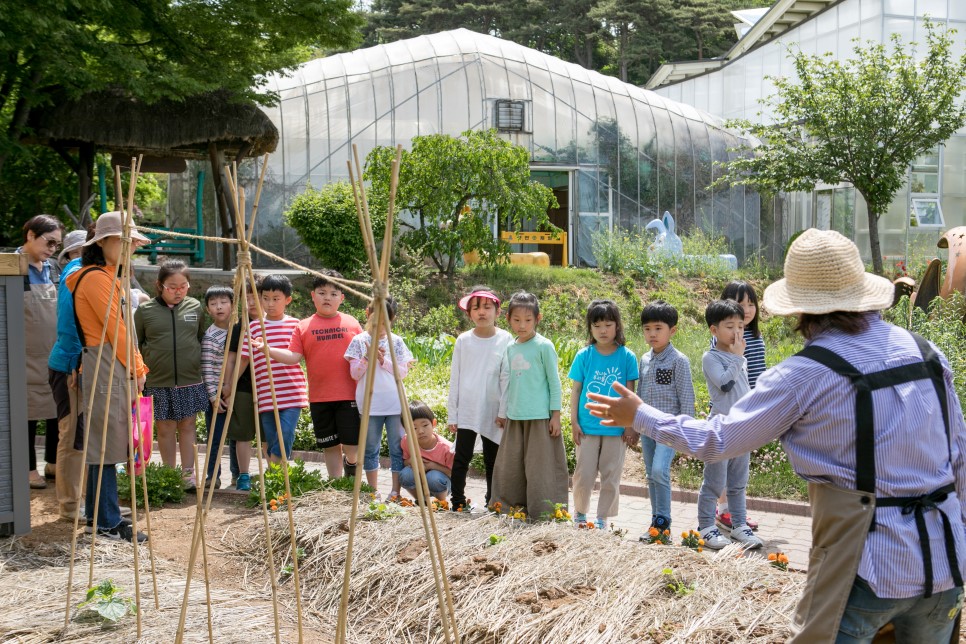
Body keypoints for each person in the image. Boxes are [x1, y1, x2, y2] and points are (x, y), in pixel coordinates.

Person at [586, 228, 966, 643]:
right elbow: (960, 457)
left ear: (800, 310)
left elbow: (720, 439)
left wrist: (641, 415)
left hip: (866, 565)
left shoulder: (804, 373)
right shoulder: (926, 351)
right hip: (945, 563)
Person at [67, 211, 148, 543]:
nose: (131, 248)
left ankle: (100, 515)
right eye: (126, 242)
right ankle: (107, 521)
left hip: (105, 360)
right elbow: (117, 331)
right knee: (106, 445)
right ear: (105, 243)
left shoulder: (106, 275)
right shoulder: (98, 278)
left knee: (107, 442)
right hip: (106, 360)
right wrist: (138, 368)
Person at [262, 270, 363, 479]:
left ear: (342, 298)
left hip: (349, 396)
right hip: (319, 397)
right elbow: (293, 356)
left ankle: (352, 472)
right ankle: (335, 484)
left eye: (334, 293)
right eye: (322, 292)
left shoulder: (352, 323)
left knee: (352, 446)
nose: (327, 297)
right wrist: (268, 349)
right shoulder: (303, 326)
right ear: (313, 295)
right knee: (330, 445)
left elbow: (365, 352)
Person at [491, 291, 568, 520]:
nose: (522, 325)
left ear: (538, 319)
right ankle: (511, 508)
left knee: (540, 469)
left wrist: (555, 415)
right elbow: (508, 384)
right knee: (511, 467)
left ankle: (544, 511)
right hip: (515, 417)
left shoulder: (544, 346)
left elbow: (555, 383)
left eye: (528, 320)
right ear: (508, 319)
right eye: (516, 320)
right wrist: (504, 412)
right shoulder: (511, 347)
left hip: (539, 418)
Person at [134, 260, 207, 489]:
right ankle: (168, 474)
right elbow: (137, 343)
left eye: (183, 286)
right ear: (159, 285)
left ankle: (188, 475)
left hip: (189, 380)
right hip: (157, 380)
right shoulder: (145, 311)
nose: (178, 291)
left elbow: (200, 338)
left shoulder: (195, 307)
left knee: (187, 426)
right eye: (172, 287)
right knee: (164, 428)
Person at [697, 299, 762, 550]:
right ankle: (706, 528)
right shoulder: (710, 357)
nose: (736, 332)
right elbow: (725, 384)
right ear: (714, 330)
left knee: (737, 483)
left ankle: (739, 526)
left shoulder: (739, 359)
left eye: (740, 327)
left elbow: (744, 391)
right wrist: (737, 358)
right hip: (720, 429)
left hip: (741, 428)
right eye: (729, 327)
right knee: (714, 482)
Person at [568, 299, 638, 529]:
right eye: (597, 325)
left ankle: (602, 518)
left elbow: (630, 394)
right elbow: (576, 390)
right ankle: (579, 513)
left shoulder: (627, 357)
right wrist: (574, 422)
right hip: (587, 427)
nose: (603, 330)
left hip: (616, 427)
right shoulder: (584, 356)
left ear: (617, 326)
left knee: (611, 475)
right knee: (584, 474)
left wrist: (630, 425)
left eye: (608, 324)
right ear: (590, 328)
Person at [447, 286, 512, 512]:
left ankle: (491, 501)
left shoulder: (506, 339)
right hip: (467, 409)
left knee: (492, 460)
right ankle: (457, 501)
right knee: (461, 458)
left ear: (498, 312)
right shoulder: (463, 341)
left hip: (493, 410)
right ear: (469, 313)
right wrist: (452, 413)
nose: (482, 312)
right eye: (476, 308)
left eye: (487, 307)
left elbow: (507, 378)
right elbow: (455, 377)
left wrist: (503, 411)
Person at [343, 295, 415, 499]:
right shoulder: (359, 341)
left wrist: (383, 361)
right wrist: (368, 357)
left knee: (396, 448)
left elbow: (402, 373)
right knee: (370, 449)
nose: (382, 326)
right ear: (368, 316)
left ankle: (395, 491)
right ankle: (373, 491)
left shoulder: (397, 342)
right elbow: (354, 374)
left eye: (386, 321)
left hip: (394, 403)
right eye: (377, 321)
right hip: (369, 404)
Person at [635, 300, 694, 538]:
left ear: (673, 330)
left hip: (669, 428)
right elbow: (638, 396)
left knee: (660, 470)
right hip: (647, 428)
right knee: (651, 474)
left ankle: (664, 522)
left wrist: (688, 433)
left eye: (658, 328)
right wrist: (634, 425)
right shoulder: (644, 360)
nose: (652, 334)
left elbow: (687, 398)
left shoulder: (678, 360)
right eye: (647, 329)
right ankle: (656, 523)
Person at [714, 280, 765, 532]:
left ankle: (736, 512)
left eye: (750, 303)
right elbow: (722, 380)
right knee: (726, 463)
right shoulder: (721, 341)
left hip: (750, 409)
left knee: (740, 468)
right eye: (739, 303)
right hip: (729, 410)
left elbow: (758, 374)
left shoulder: (756, 338)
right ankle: (723, 510)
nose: (746, 309)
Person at [18, 215, 64, 489]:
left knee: (55, 410)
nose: (52, 249)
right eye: (49, 242)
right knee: (26, 414)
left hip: (51, 352)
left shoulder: (54, 269)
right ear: (31, 235)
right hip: (22, 355)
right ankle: (27, 468)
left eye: (56, 245)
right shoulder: (11, 266)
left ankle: (52, 462)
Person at [241, 274, 308, 464]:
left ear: (287, 300)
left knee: (285, 434)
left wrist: (267, 349)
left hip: (291, 392)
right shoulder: (254, 327)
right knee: (271, 438)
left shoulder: (296, 325)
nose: (270, 304)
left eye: (276, 299)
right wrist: (228, 385)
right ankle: (278, 480)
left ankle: (278, 476)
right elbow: (245, 358)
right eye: (265, 298)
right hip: (266, 393)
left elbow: (299, 356)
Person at [47, 228, 90, 518]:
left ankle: (84, 500)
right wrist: (76, 363)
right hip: (69, 367)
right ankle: (70, 506)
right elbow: (69, 324)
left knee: (83, 437)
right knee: (72, 437)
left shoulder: (88, 270)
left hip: (83, 364)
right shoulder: (76, 271)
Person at [223, 282, 262, 490]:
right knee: (242, 432)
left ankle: (271, 475)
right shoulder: (239, 325)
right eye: (244, 299)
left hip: (268, 386)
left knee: (268, 435)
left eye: (253, 297)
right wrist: (228, 386)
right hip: (244, 387)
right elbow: (231, 359)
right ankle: (242, 475)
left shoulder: (272, 323)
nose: (250, 303)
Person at [201, 286, 234, 489]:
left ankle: (239, 475)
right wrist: (214, 396)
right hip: (218, 393)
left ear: (233, 305)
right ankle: (213, 475)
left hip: (238, 390)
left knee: (238, 437)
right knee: (216, 436)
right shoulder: (210, 336)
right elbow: (207, 369)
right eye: (213, 304)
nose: (219, 307)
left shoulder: (240, 330)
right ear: (207, 310)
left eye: (223, 302)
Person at [399, 401, 455, 502]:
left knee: (433, 477)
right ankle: (421, 500)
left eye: (425, 425)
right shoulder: (407, 442)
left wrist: (432, 466)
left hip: (442, 481)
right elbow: (405, 462)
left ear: (433, 423)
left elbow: (454, 473)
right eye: (414, 428)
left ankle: (441, 503)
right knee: (405, 474)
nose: (420, 431)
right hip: (420, 479)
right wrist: (411, 461)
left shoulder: (446, 448)